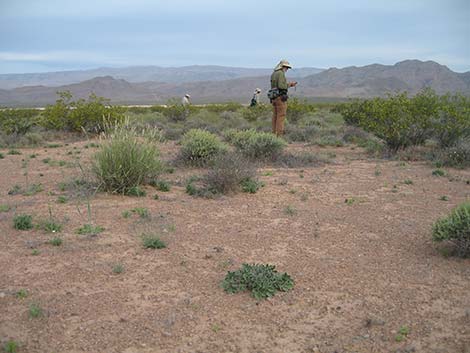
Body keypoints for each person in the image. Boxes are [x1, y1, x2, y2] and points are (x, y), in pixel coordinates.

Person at [269, 60, 297, 136]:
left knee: (275, 116)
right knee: (281, 116)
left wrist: (289, 84)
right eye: (286, 67)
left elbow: (275, 86)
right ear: (282, 66)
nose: (287, 69)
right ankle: (279, 136)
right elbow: (281, 86)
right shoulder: (281, 74)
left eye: (287, 67)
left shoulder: (274, 74)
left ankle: (273, 134)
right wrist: (289, 85)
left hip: (274, 97)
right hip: (280, 98)